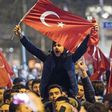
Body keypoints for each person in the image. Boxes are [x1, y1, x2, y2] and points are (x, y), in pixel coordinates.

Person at [14, 25, 94, 101]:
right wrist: (21, 36)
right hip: (49, 96)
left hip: (68, 95)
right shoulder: (47, 58)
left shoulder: (71, 58)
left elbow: (82, 48)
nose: (56, 47)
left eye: (59, 45)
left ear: (64, 48)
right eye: (54, 45)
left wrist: (90, 34)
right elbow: (32, 49)